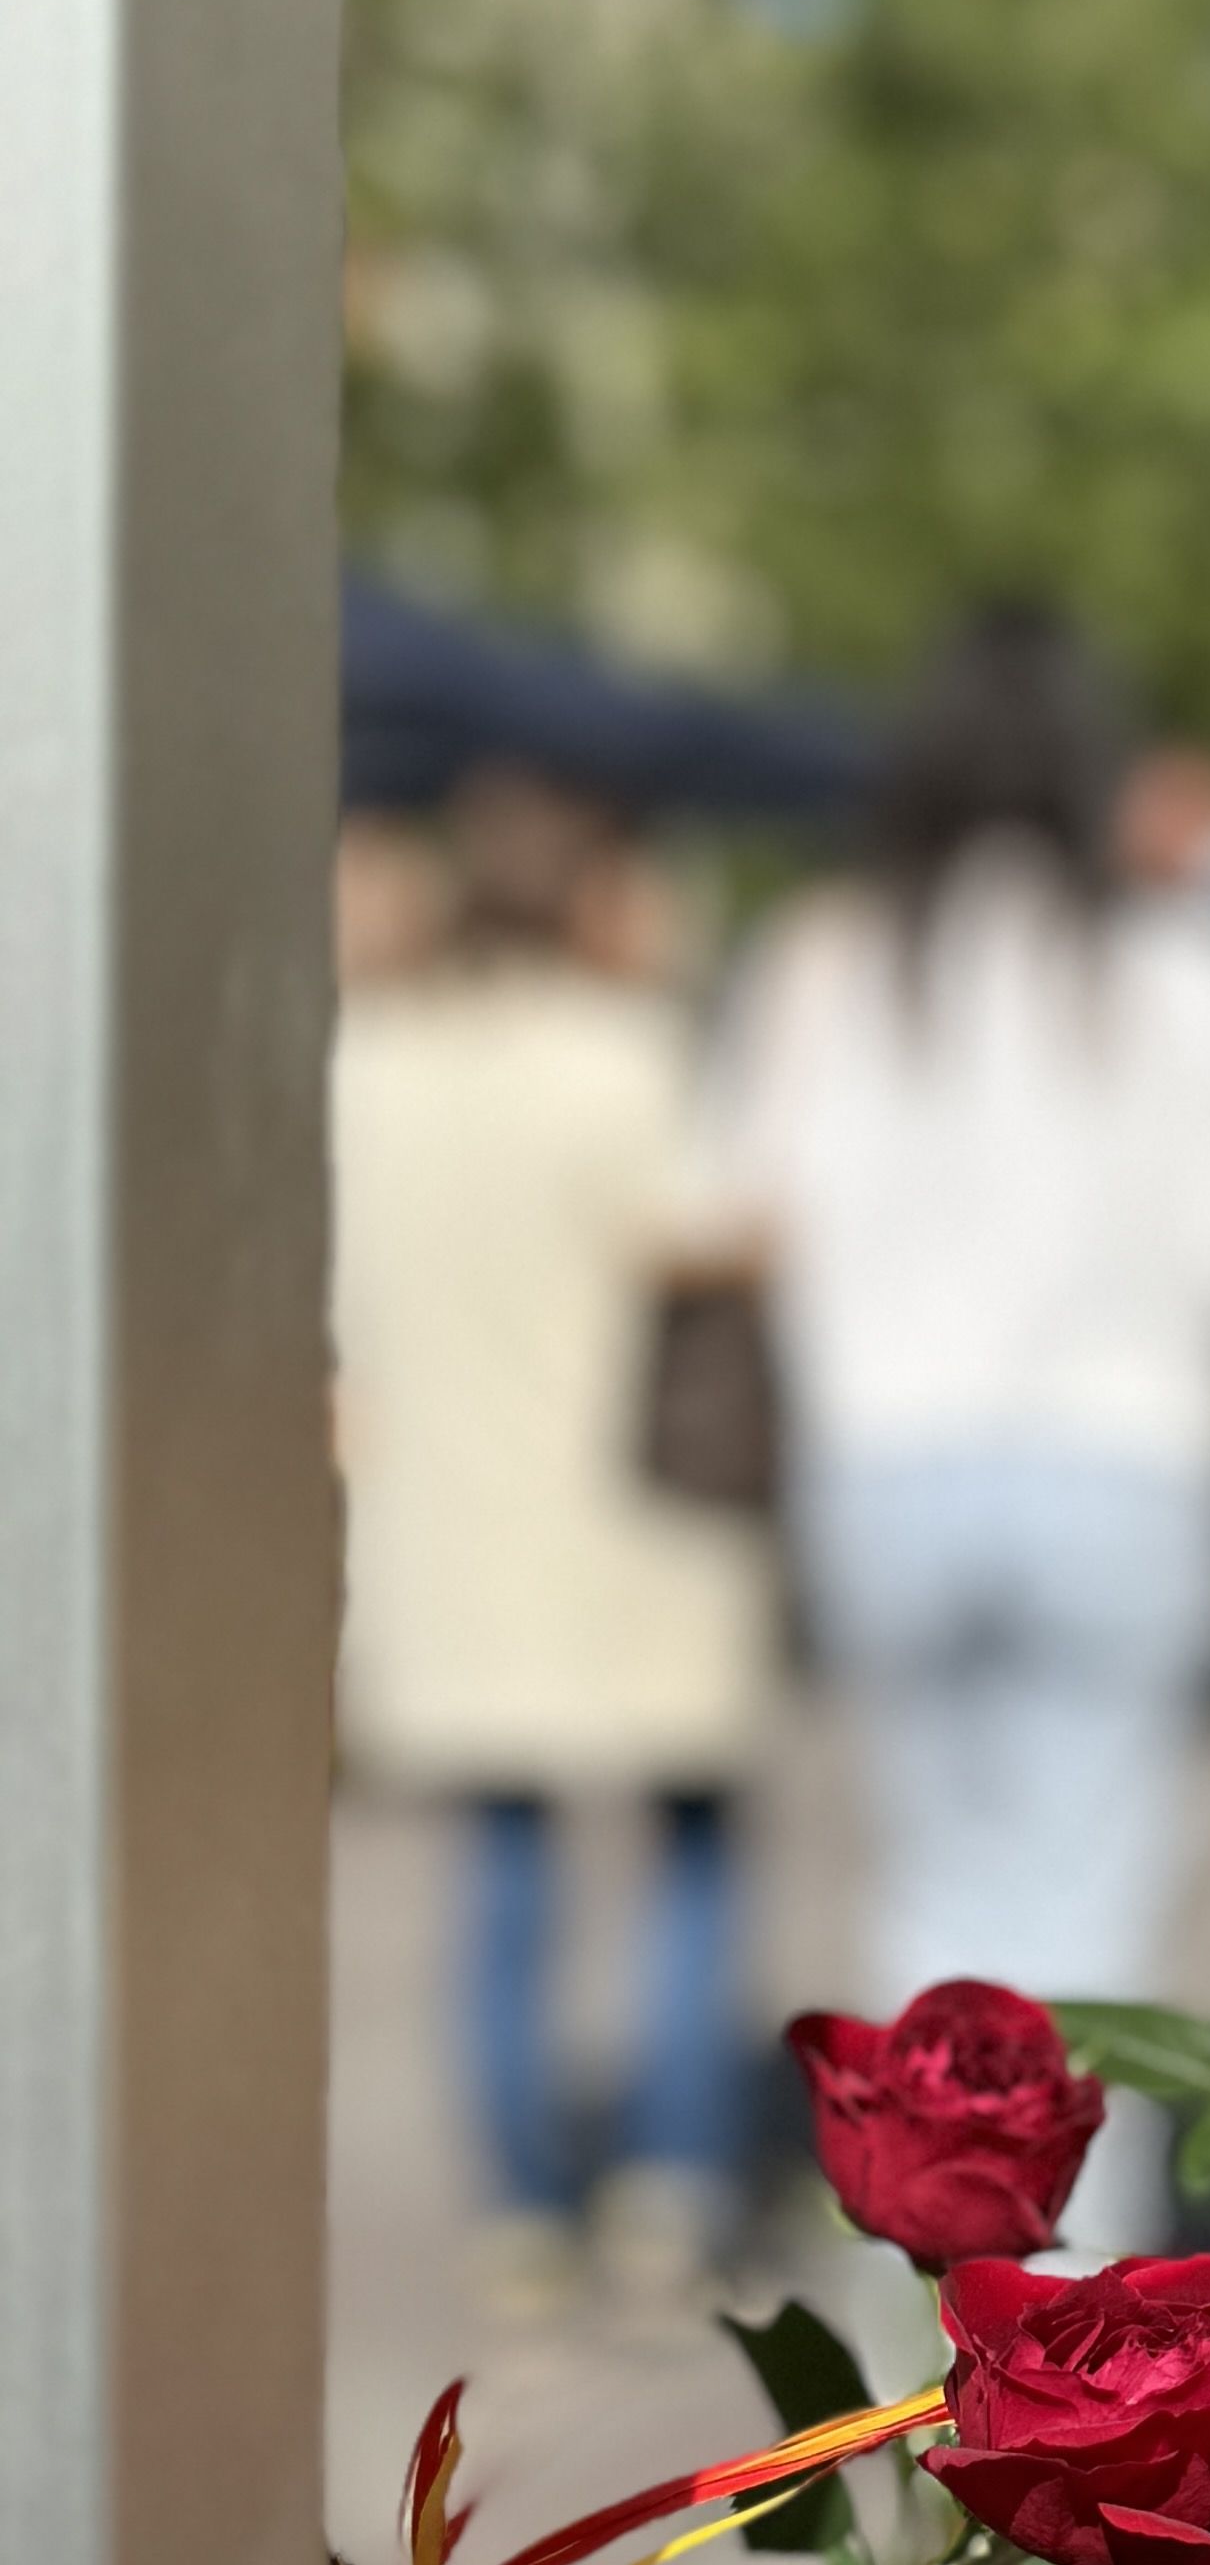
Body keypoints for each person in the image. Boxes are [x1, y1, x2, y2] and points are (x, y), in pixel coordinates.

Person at [709, 602, 1210, 2111]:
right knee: (1093, 1925)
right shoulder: (1190, 979)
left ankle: (928, 2280)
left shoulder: (824, 961)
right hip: (1127, 1476)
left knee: (923, 1902)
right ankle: (1077, 2314)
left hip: (886, 1472)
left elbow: (738, 1207)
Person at [332, 761, 778, 2311]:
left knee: (504, 1862)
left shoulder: (372, 1062)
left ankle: (523, 2207)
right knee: (692, 1845)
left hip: (452, 1527)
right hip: (638, 1518)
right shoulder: (627, 1057)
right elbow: (714, 1235)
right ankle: (670, 2182)